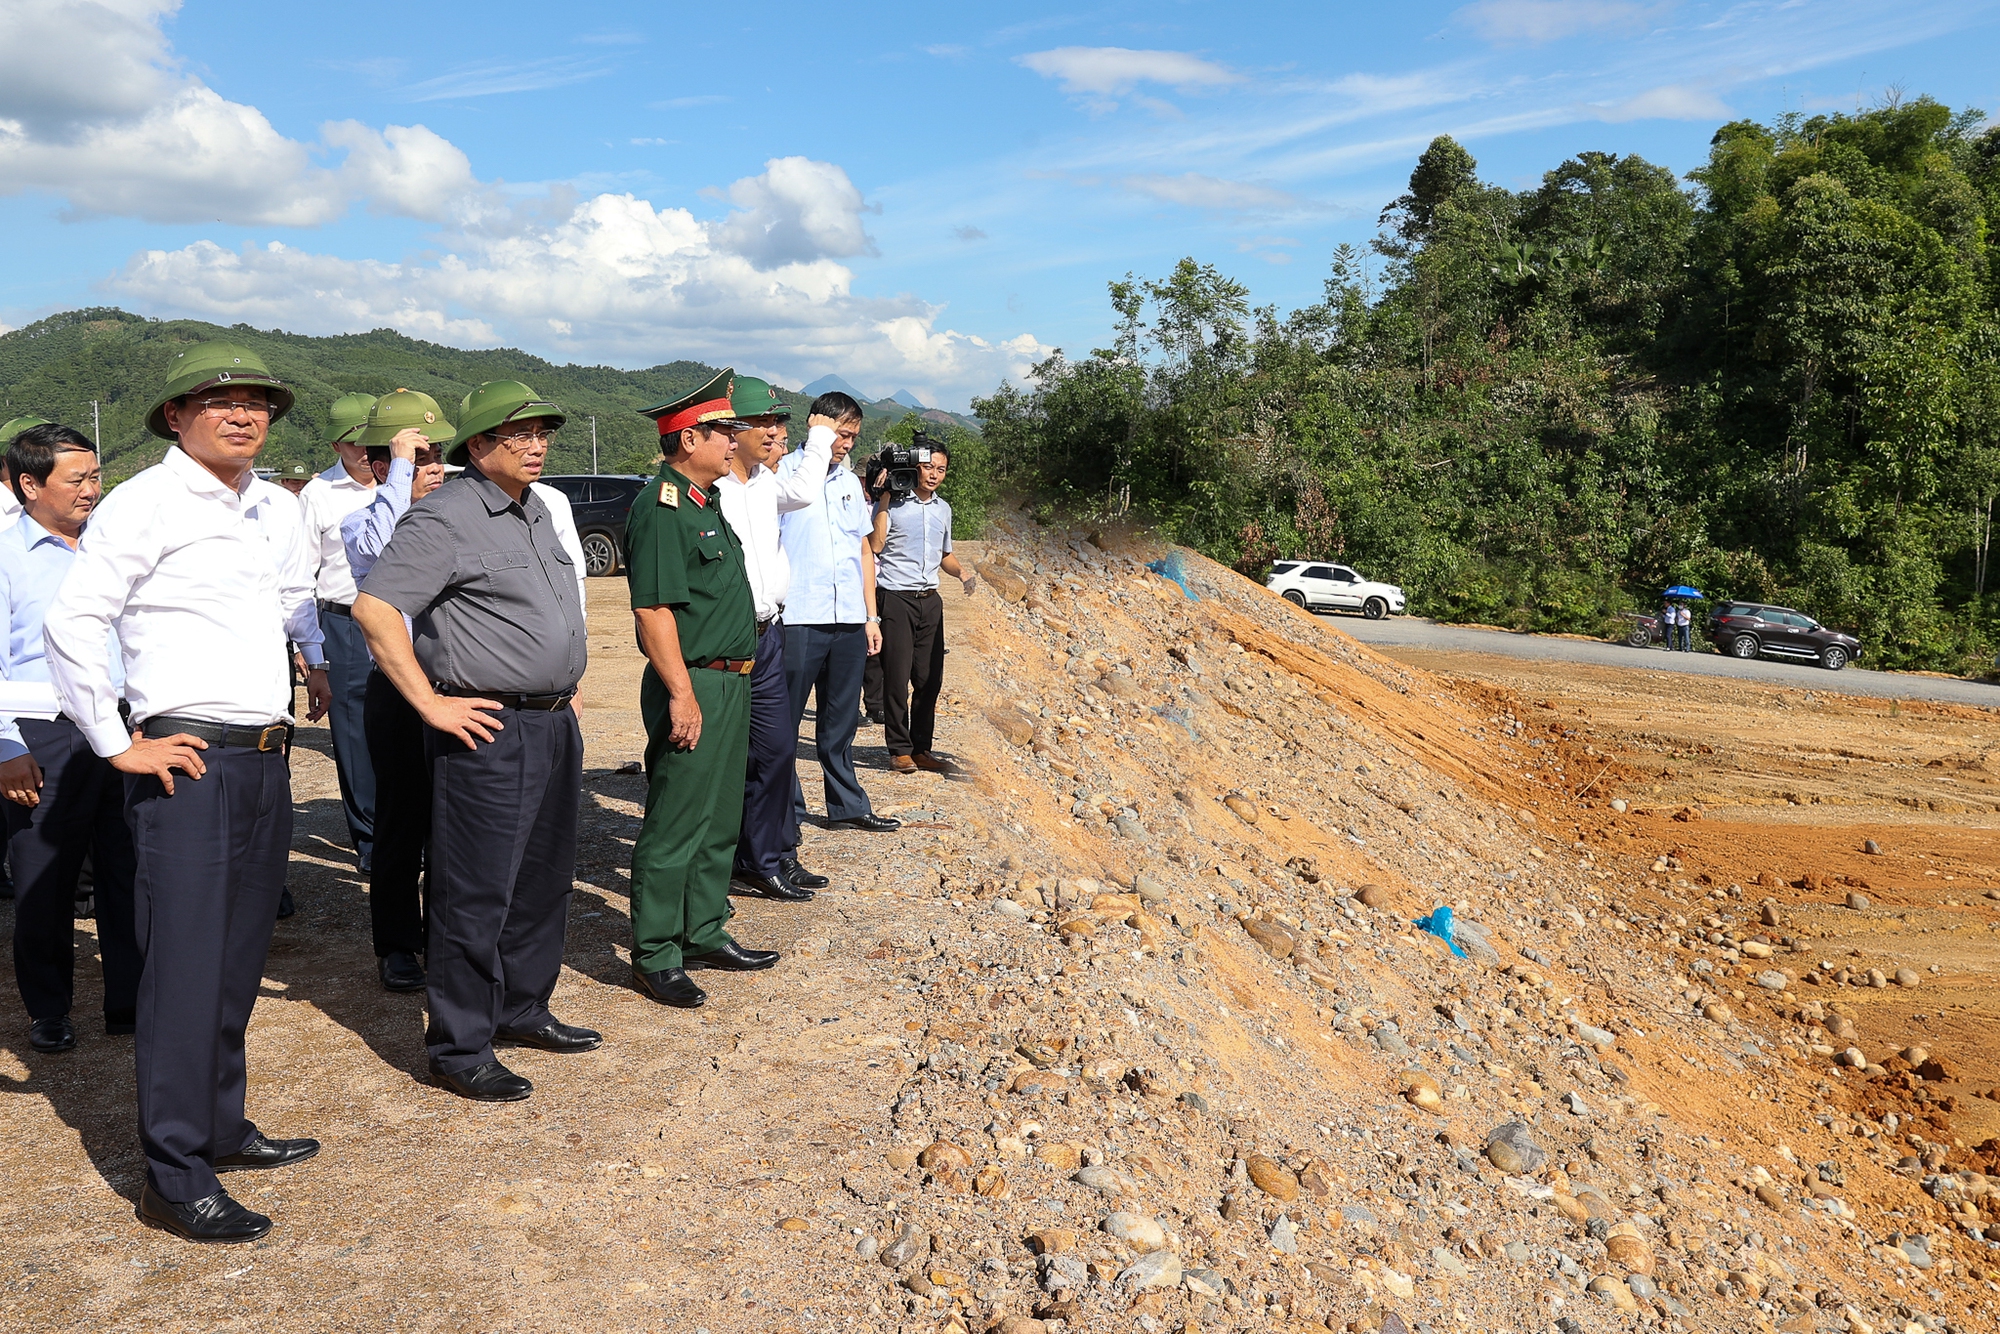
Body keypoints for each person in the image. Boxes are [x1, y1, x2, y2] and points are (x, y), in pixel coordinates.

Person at [44, 340, 327, 1244]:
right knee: (184, 967)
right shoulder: (147, 501)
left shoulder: (268, 508)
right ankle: (175, 1169)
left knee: (238, 956)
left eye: (258, 403)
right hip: (189, 759)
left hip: (264, 755)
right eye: (221, 401)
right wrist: (114, 741)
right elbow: (73, 618)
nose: (244, 415)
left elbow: (290, 602)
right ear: (175, 416)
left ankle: (219, 1123)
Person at [352, 380, 597, 1104]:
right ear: (478, 444)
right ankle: (460, 1044)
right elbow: (375, 608)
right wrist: (428, 702)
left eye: (543, 432)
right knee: (475, 888)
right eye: (518, 434)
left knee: (541, 878)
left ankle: (522, 1007)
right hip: (489, 725)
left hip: (552, 719)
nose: (537, 444)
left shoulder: (536, 510)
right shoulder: (448, 516)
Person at [625, 369, 783, 1010]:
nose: (732, 438)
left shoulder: (704, 500)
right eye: (721, 430)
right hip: (693, 682)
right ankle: (657, 951)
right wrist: (681, 694)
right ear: (687, 439)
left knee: (718, 816)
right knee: (677, 817)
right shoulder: (660, 506)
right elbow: (654, 612)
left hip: (731, 678)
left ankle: (703, 929)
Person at [0, 424, 138, 1055]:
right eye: (76, 478)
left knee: (128, 867)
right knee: (44, 877)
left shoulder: (114, 548)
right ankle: (50, 1007)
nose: (92, 489)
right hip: (41, 736)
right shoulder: (5, 557)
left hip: (124, 726)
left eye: (95, 474)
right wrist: (5, 748)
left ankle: (129, 998)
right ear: (29, 484)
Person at [339, 392, 452, 993]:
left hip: (457, 686)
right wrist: (400, 473)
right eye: (417, 458)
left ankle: (445, 933)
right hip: (400, 689)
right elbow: (384, 553)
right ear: (380, 467)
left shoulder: (455, 518)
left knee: (452, 818)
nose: (432, 468)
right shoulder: (360, 520)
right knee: (402, 821)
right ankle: (398, 944)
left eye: (436, 457)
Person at [712, 376, 831, 902]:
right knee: (745, 756)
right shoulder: (711, 490)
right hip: (729, 638)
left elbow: (805, 491)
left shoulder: (764, 482)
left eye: (780, 422)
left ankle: (775, 851)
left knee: (778, 751)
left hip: (768, 632)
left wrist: (820, 436)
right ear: (729, 431)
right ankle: (756, 859)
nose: (775, 432)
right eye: (764, 422)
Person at [776, 391, 900, 861]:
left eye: (852, 436)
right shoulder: (782, 476)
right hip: (799, 617)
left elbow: (864, 550)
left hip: (847, 617)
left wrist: (869, 616)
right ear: (815, 425)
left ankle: (846, 805)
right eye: (840, 433)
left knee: (841, 720)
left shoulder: (849, 482)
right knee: (783, 722)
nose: (846, 443)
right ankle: (783, 811)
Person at [298, 391, 380, 875]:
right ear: (335, 445)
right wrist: (308, 651)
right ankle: (370, 837)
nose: (366, 454)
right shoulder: (318, 495)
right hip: (344, 622)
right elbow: (302, 576)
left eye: (374, 443)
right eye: (355, 445)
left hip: (406, 618)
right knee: (353, 733)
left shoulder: (410, 485)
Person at [868, 440, 976, 773]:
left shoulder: (943, 509)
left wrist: (963, 573)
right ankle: (899, 750)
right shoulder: (894, 504)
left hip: (930, 601)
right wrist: (883, 498)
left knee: (930, 679)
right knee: (897, 677)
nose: (934, 474)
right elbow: (875, 545)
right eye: (928, 467)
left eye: (941, 469)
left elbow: (945, 555)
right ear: (916, 466)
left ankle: (921, 748)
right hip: (896, 598)